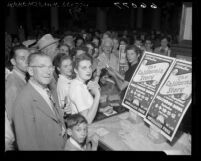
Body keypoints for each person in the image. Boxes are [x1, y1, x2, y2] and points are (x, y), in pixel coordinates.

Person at [13, 52, 65, 150]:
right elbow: (26, 146)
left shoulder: (49, 90)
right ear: (31, 71)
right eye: (42, 67)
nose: (48, 71)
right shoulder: (23, 101)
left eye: (50, 67)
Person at [69, 54, 101, 124]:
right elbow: (87, 120)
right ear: (76, 70)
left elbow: (88, 107)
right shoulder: (78, 88)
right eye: (84, 68)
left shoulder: (77, 83)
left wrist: (101, 110)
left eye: (90, 67)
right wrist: (97, 95)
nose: (89, 71)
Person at [6, 45, 30, 121]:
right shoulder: (12, 83)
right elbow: (12, 117)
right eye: (22, 58)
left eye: (28, 58)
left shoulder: (23, 77)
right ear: (13, 61)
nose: (27, 61)